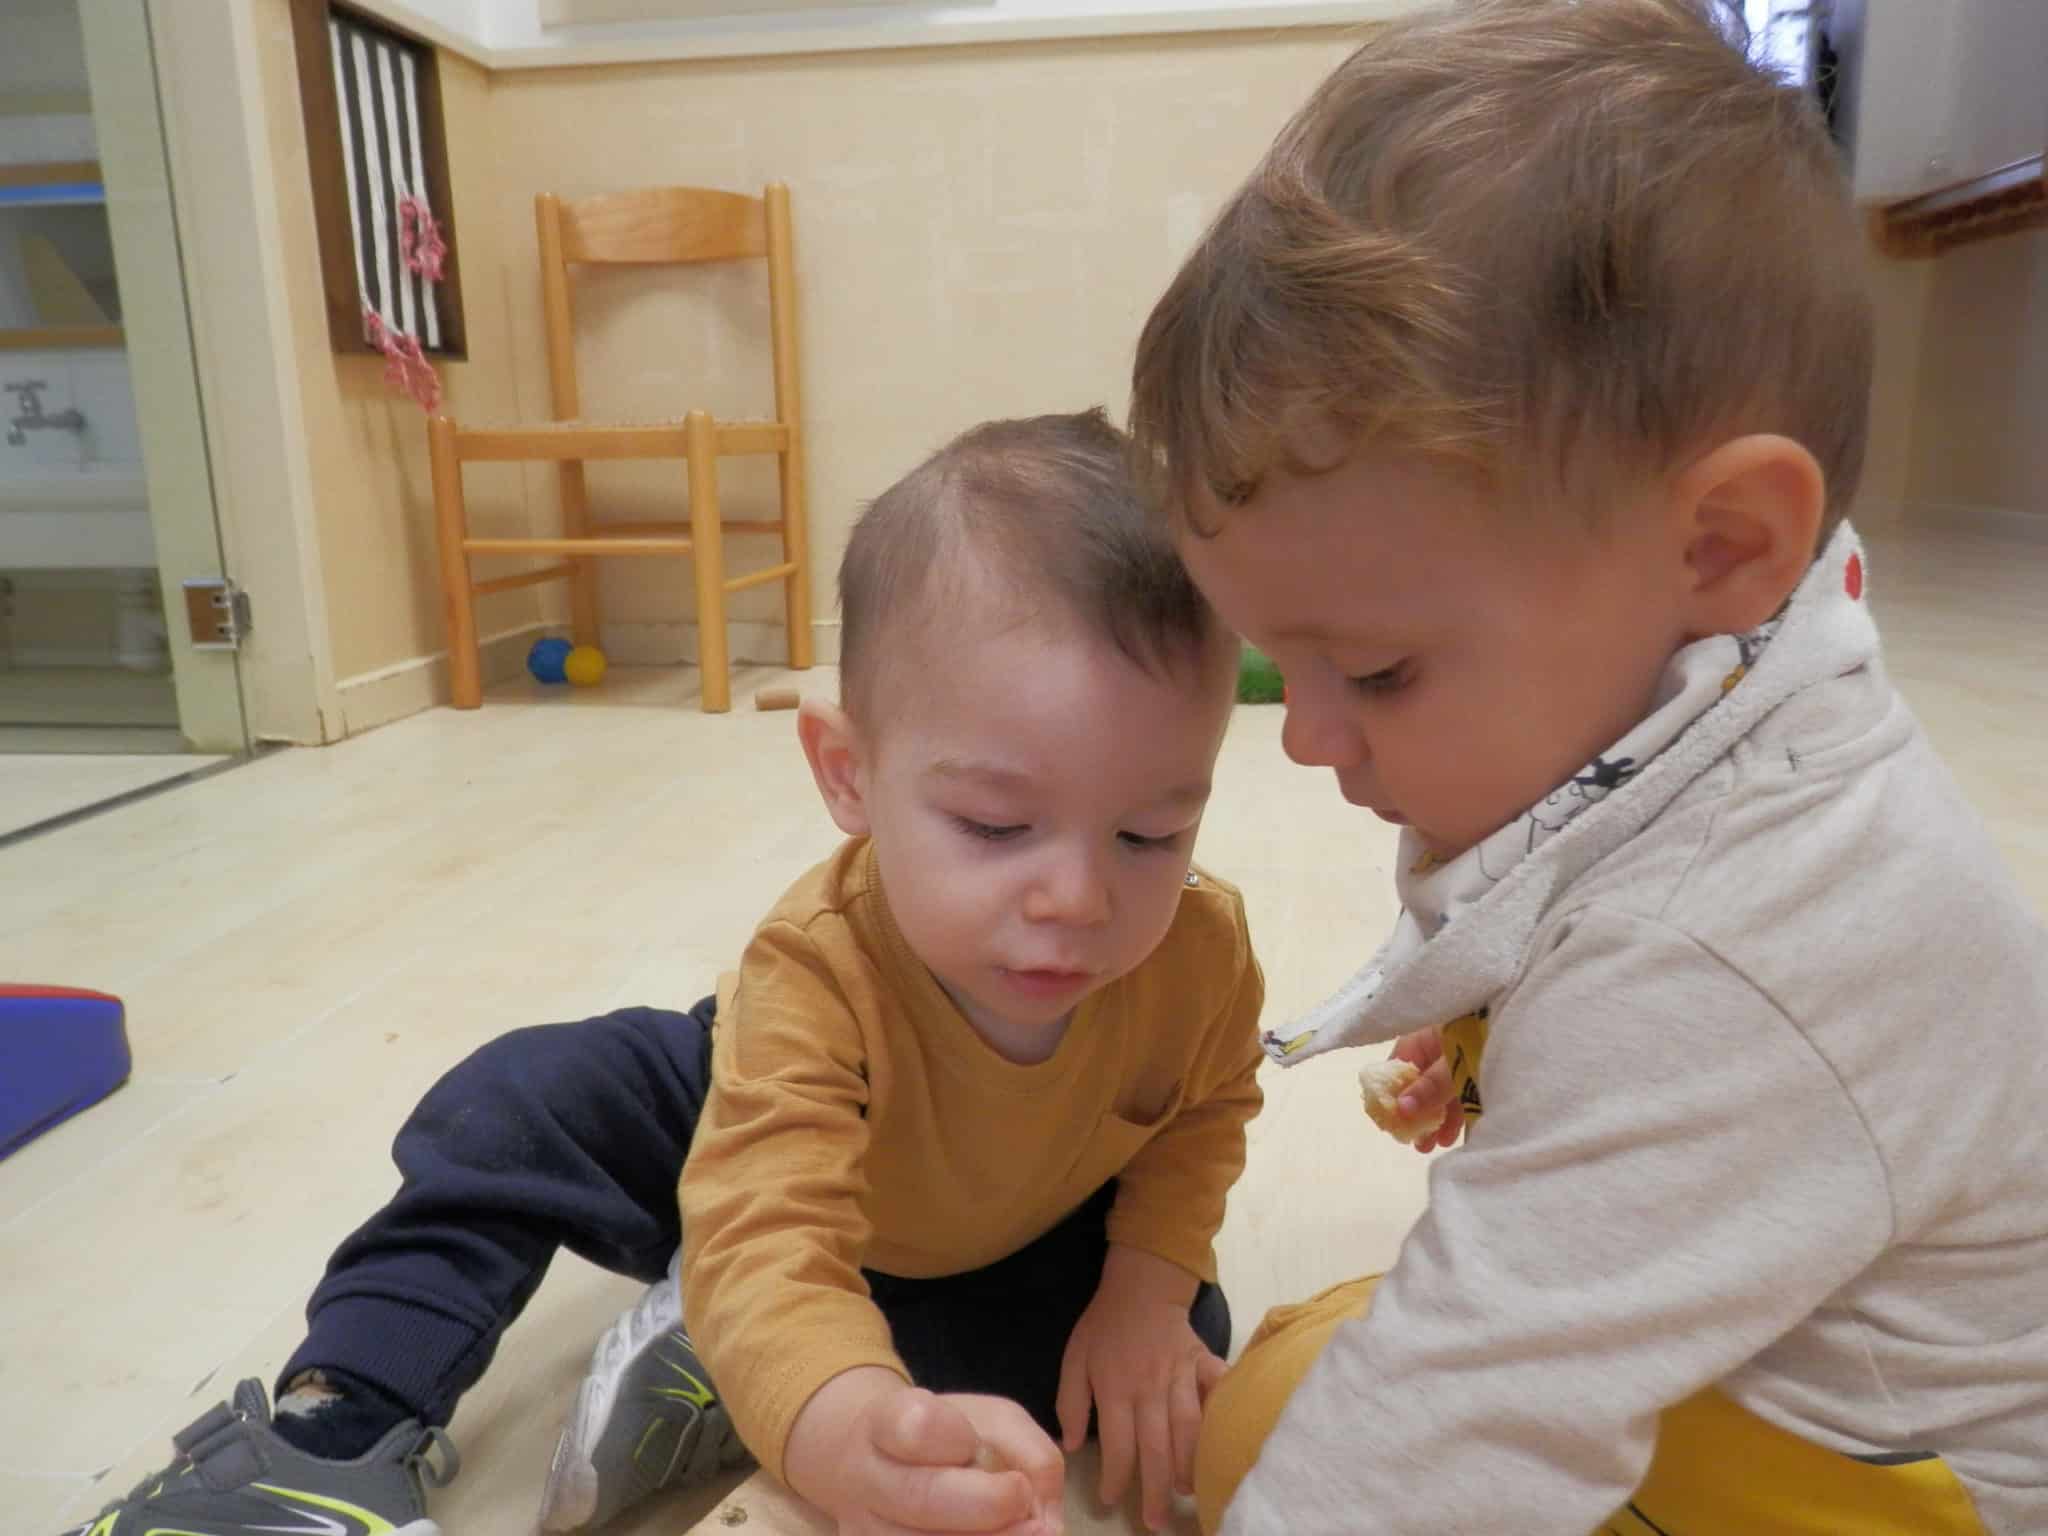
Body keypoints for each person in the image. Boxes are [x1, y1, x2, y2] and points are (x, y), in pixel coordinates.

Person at [1124, 2, 2048, 1533]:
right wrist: (1532, 1042)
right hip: (1798, 1379)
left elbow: (1461, 1429)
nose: (1306, 738)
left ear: (1725, 543)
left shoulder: (1724, 957)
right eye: (1287, 667)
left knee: (1291, 1434)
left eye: (1379, 672)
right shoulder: (1740, 668)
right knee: (1294, 1392)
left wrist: (1613, 1052)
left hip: (1910, 1494)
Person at [66, 409, 1265, 1536]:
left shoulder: (1198, 954)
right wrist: (834, 1421)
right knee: (521, 1100)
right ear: (847, 774)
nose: (1077, 899)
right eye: (996, 827)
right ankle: (329, 1427)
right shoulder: (817, 968)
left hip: (985, 1227)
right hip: (743, 1128)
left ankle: (734, 1360)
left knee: (1174, 1329)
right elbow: (766, 1217)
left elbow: (1203, 1113)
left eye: (1149, 833)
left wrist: (1144, 1290)